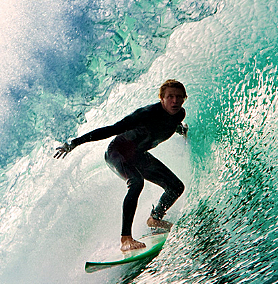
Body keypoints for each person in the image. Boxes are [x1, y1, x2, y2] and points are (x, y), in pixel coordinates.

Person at [55, 80, 189, 252]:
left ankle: (155, 219)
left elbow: (169, 124)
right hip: (118, 152)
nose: (175, 101)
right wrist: (74, 143)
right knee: (136, 182)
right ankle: (126, 238)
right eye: (170, 96)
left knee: (176, 187)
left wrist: (182, 131)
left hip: (138, 155)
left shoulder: (179, 114)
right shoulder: (145, 114)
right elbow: (112, 129)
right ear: (161, 98)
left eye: (179, 97)